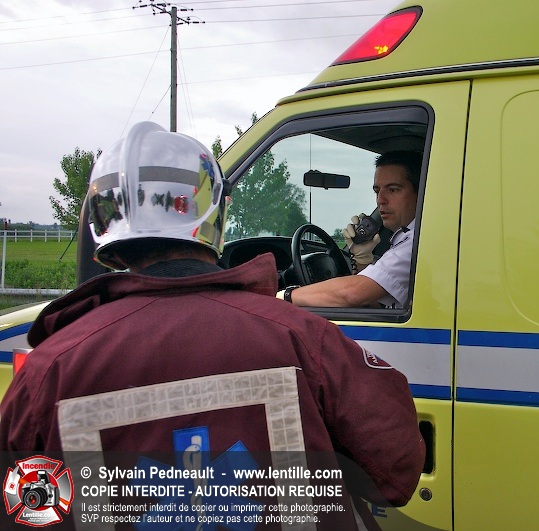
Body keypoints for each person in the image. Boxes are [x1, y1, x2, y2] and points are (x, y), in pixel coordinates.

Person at [0, 122, 424, 530]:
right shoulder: (305, 339)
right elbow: (398, 470)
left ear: (103, 221)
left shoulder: (47, 371)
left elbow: (23, 509)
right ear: (216, 214)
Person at [278, 150, 421, 308]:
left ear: (421, 192)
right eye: (377, 191)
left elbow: (353, 294)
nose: (380, 200)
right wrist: (362, 262)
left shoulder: (417, 243)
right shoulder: (407, 238)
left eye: (393, 190)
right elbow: (378, 305)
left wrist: (284, 296)